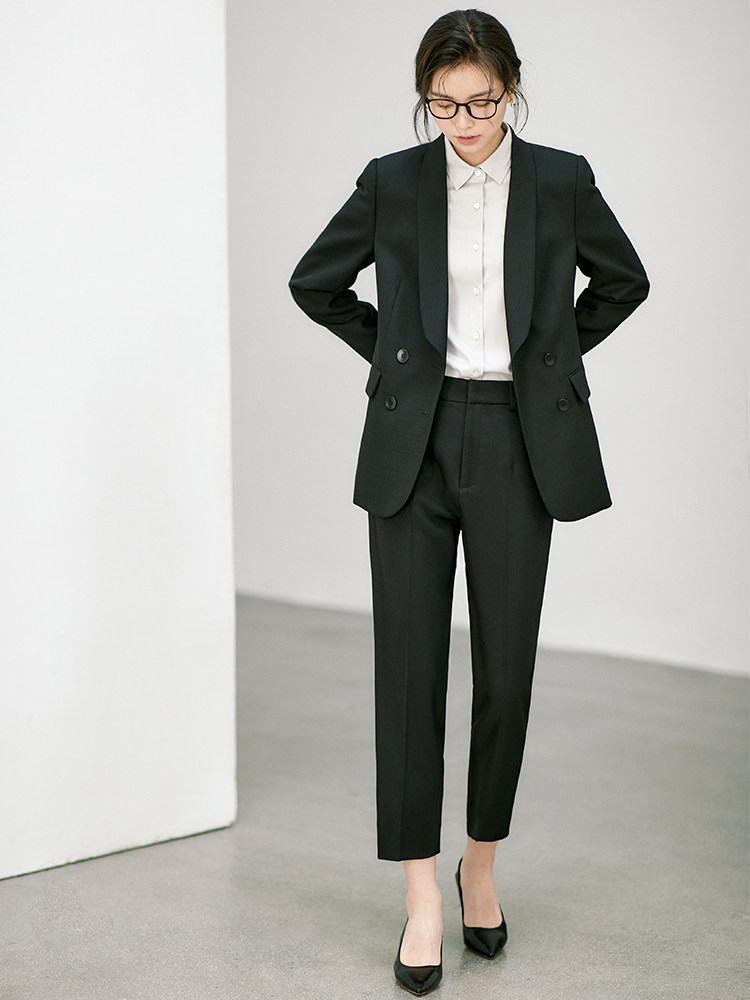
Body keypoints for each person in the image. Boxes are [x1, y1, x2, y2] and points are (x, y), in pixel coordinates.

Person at [289, 8, 649, 995]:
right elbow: (316, 282)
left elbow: (624, 281)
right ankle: (420, 897)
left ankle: (479, 863)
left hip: (517, 439)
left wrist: (548, 362)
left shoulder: (561, 179)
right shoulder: (393, 180)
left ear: (512, 90)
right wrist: (399, 359)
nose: (465, 123)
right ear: (425, 100)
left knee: (506, 671)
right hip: (414, 440)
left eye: (482, 102)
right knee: (408, 674)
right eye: (444, 106)